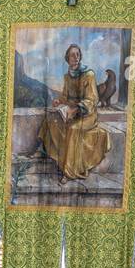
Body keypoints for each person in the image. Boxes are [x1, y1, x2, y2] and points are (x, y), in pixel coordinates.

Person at [37, 43, 110, 181]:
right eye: (72, 55)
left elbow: (92, 99)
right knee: (50, 119)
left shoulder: (89, 75)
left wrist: (77, 109)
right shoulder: (67, 76)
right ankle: (46, 153)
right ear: (67, 58)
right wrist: (60, 101)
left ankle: (69, 172)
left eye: (77, 54)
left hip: (87, 114)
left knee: (73, 129)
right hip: (70, 111)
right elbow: (66, 96)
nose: (75, 57)